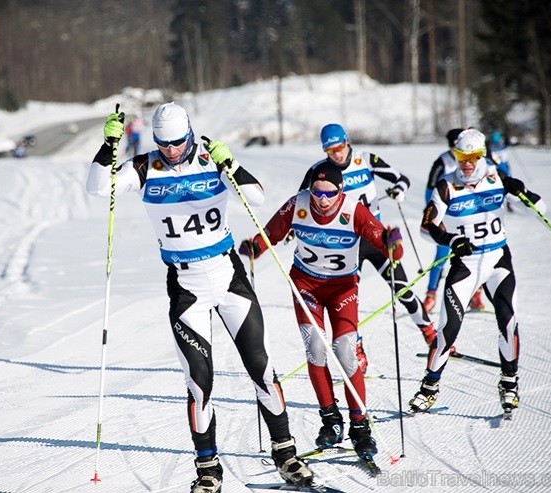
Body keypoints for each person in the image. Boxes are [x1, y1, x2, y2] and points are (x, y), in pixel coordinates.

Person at [86, 103, 314, 493]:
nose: (171, 151)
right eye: (164, 143)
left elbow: (258, 198)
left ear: (190, 134)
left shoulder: (212, 160)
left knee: (261, 368)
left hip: (228, 278)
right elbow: (96, 188)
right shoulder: (144, 168)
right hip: (186, 285)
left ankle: (286, 454)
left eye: (177, 142)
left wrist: (232, 164)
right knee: (199, 382)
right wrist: (108, 146)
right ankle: (208, 468)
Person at [238, 161, 404, 460]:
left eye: (330, 194)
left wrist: (393, 244)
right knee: (316, 349)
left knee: (345, 352)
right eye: (317, 191)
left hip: (342, 288)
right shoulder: (298, 204)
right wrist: (254, 248)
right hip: (306, 285)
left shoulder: (354, 210)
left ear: (340, 191)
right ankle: (331, 421)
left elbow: (385, 244)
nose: (322, 200)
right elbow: (271, 234)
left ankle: (359, 425)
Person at [408, 128, 546, 416]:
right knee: (449, 329)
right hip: (466, 266)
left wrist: (524, 193)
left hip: (497, 261)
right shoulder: (447, 186)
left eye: (472, 156)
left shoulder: (497, 176)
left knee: (508, 321)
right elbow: (426, 227)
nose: (467, 163)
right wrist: (450, 240)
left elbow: (542, 208)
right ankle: (428, 388)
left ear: (482, 155)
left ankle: (509, 383)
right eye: (461, 156)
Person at [298, 123, 438, 372]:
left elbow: (401, 179)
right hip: (346, 245)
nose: (337, 155)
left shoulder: (366, 159)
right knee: (349, 300)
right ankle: (358, 351)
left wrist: (398, 191)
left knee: (402, 289)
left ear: (347, 142)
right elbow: (300, 204)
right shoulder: (319, 172)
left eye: (340, 147)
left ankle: (431, 335)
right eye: (330, 151)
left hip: (376, 238)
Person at [423, 129, 485, 313]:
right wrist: (435, 215)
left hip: (469, 215)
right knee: (442, 254)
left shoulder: (476, 159)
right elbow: (429, 190)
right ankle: (430, 295)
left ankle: (476, 295)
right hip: (447, 215)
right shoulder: (442, 161)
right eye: (453, 148)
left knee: (477, 253)